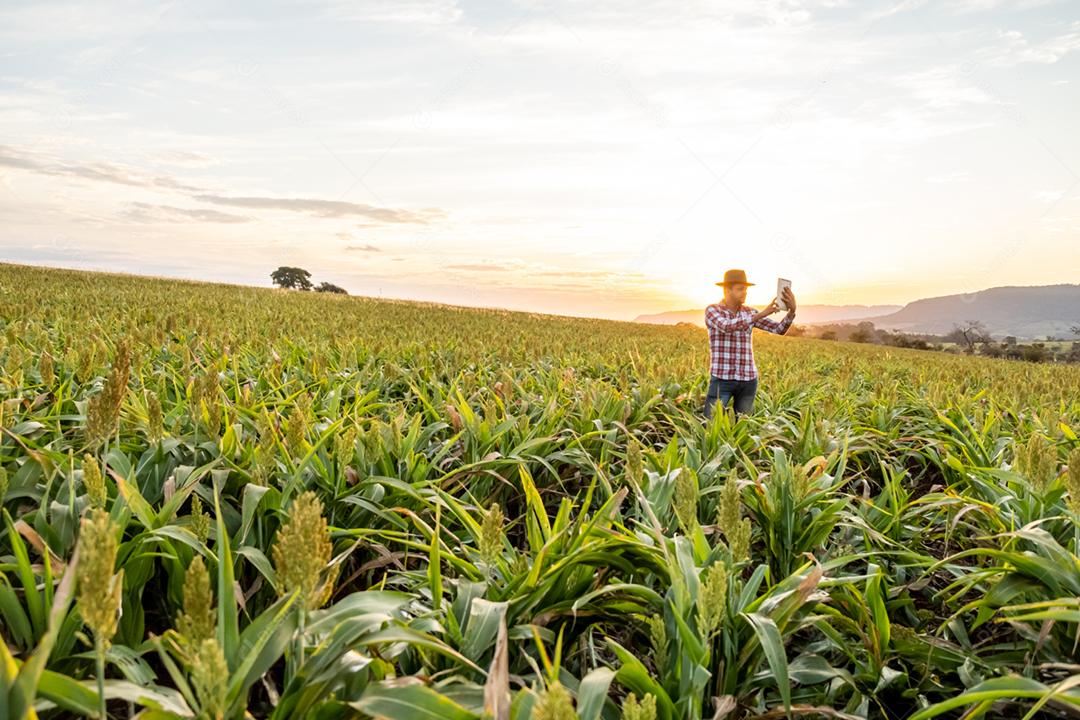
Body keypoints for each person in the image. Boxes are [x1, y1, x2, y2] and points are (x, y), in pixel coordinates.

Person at [703, 269, 797, 419]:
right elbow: (727, 326)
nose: (745, 292)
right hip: (722, 379)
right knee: (710, 423)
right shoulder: (713, 310)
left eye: (746, 289)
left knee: (744, 427)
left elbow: (778, 329)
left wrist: (791, 311)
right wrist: (760, 315)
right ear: (727, 290)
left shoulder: (750, 312)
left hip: (748, 380)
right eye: (740, 289)